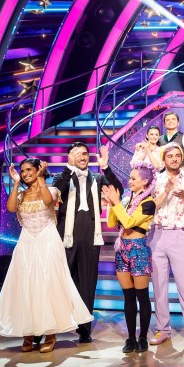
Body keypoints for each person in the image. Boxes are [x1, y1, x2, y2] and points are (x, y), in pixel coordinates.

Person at [0, 158, 93, 352]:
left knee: (48, 286)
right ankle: (28, 334)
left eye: (29, 170)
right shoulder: (21, 195)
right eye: (22, 171)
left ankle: (50, 333)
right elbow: (11, 208)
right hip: (26, 244)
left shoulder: (51, 190)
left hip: (48, 241)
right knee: (26, 287)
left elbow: (48, 201)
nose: (25, 173)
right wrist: (16, 183)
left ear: (38, 170)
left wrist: (41, 178)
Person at [52, 141, 122, 343]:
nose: (82, 157)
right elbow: (56, 191)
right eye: (77, 154)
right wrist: (69, 168)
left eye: (84, 153)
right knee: (61, 280)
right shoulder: (61, 177)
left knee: (88, 282)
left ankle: (84, 329)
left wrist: (106, 167)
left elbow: (118, 189)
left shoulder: (97, 178)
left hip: (91, 236)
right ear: (69, 156)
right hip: (67, 235)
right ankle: (51, 326)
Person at [149, 142, 184, 347]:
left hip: (179, 234)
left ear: (182, 158)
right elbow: (150, 207)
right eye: (170, 156)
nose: (174, 159)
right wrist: (166, 192)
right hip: (157, 234)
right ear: (163, 159)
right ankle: (163, 329)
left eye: (177, 155)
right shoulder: (155, 180)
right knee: (159, 286)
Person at [103, 161, 157, 353]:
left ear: (145, 181)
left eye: (134, 178)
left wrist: (117, 203)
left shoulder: (149, 203)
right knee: (128, 296)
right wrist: (112, 204)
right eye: (130, 178)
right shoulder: (126, 200)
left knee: (142, 296)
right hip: (122, 250)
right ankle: (131, 338)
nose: (130, 181)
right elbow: (113, 223)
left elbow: (128, 222)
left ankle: (142, 338)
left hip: (138, 249)